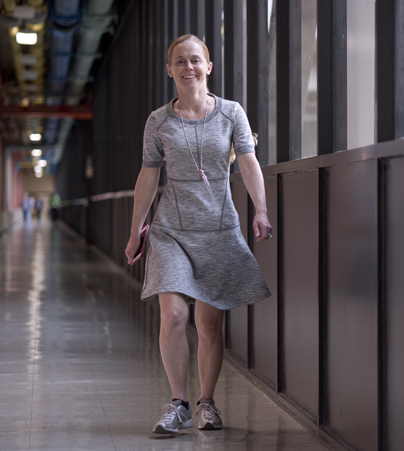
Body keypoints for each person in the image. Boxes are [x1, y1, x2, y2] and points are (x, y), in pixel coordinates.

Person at [125, 34, 272, 435]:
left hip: (219, 231)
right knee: (173, 315)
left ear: (208, 67)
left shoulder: (230, 113)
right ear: (170, 70)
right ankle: (178, 403)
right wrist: (136, 229)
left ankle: (207, 402)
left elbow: (248, 161)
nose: (188, 67)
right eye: (179, 61)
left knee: (209, 325)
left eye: (195, 60)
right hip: (171, 230)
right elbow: (148, 174)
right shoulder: (159, 121)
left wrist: (260, 210)